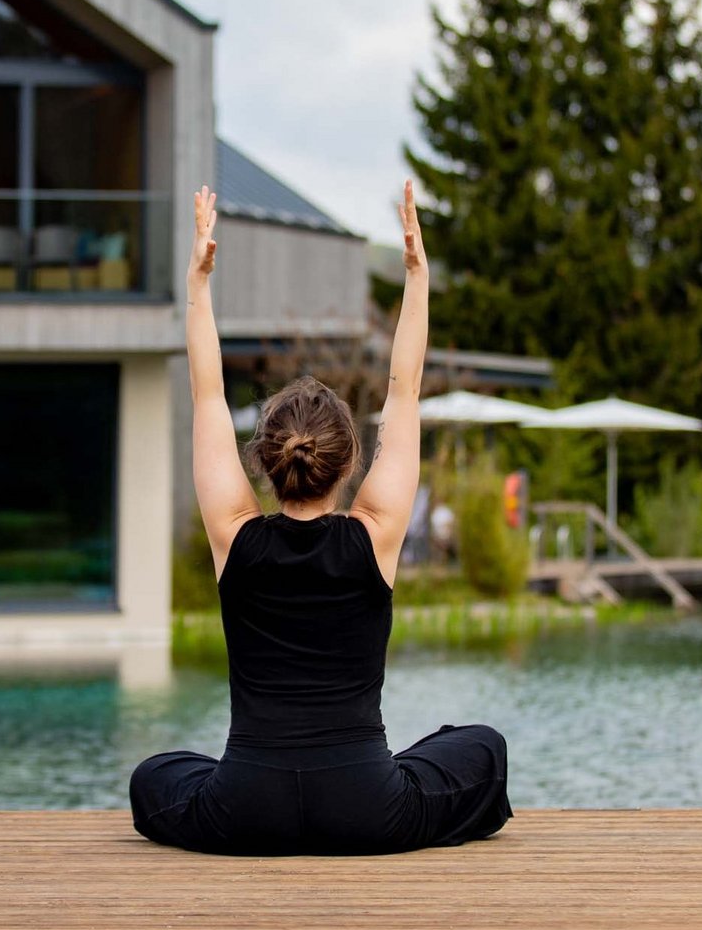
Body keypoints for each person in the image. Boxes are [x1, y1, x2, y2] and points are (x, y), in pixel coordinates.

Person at [129, 181, 511, 856]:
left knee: (153, 776)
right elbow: (406, 388)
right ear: (348, 461)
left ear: (267, 462)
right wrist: (416, 279)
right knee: (479, 747)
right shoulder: (376, 530)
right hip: (367, 807)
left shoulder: (235, 535)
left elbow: (208, 393)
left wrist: (198, 285)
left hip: (246, 806)